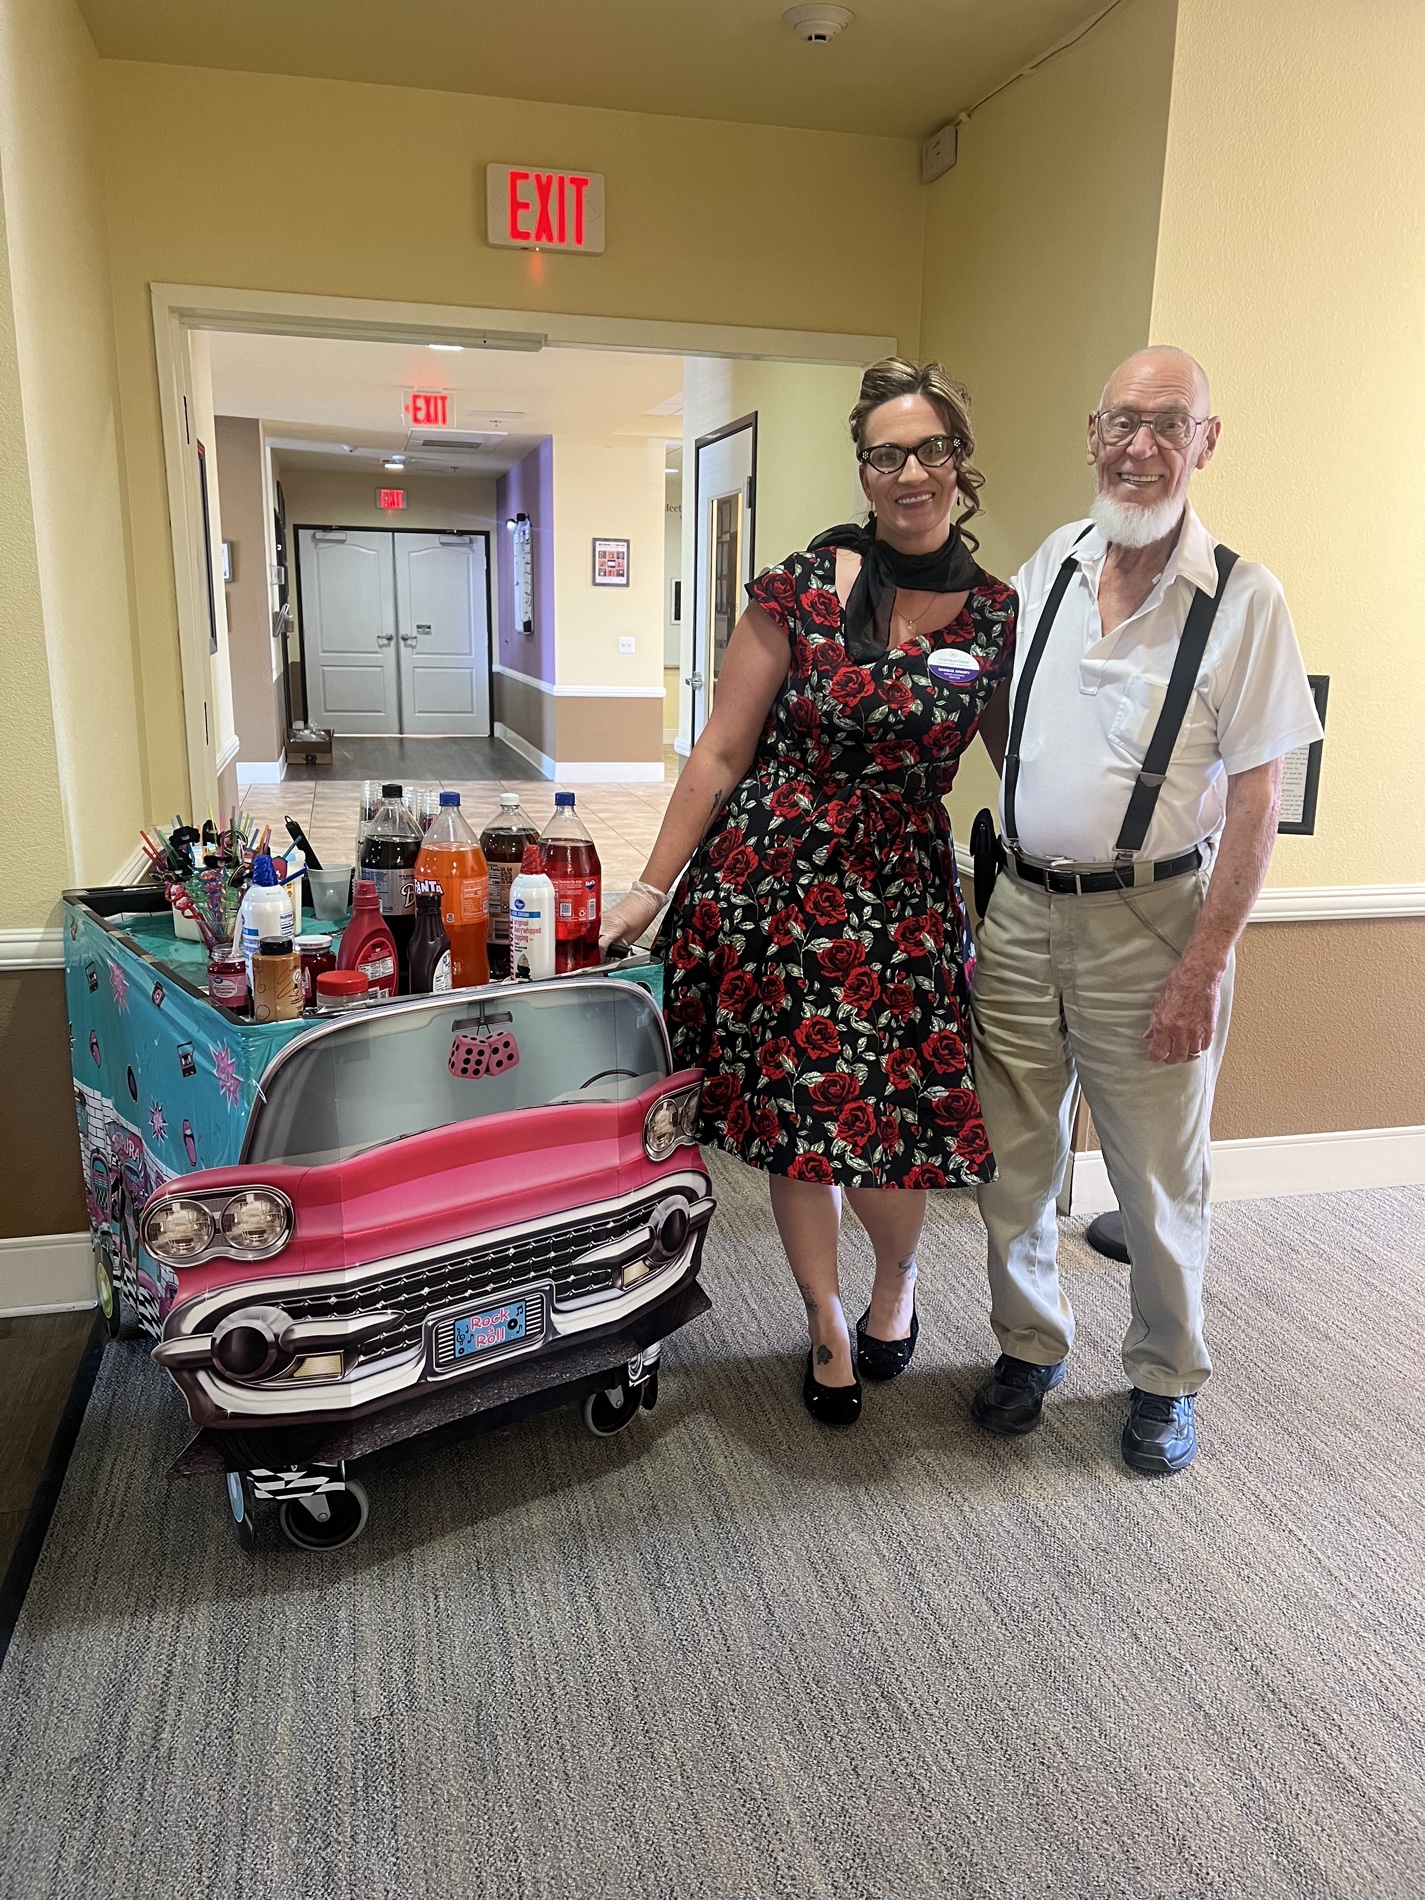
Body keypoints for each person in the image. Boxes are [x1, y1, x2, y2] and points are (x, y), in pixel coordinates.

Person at [601, 359, 1016, 1428]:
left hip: (905, 900)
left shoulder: (996, 614)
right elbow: (721, 749)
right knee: (804, 1118)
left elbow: (1027, 765)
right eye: (887, 455)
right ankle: (825, 1316)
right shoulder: (799, 585)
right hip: (778, 890)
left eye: (929, 450)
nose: (910, 473)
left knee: (891, 1125)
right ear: (864, 470)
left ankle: (895, 1283)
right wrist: (649, 885)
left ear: (959, 463)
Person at [968, 346, 1323, 1473]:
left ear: (1205, 442)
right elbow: (1004, 712)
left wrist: (1202, 966)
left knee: (1159, 1175)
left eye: (1169, 423)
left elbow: (1261, 801)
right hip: (1019, 910)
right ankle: (1030, 1342)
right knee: (1013, 1159)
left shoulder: (1245, 600)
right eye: (1123, 420)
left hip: (1152, 924)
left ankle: (1166, 1375)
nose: (1140, 446)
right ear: (1092, 433)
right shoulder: (1050, 564)